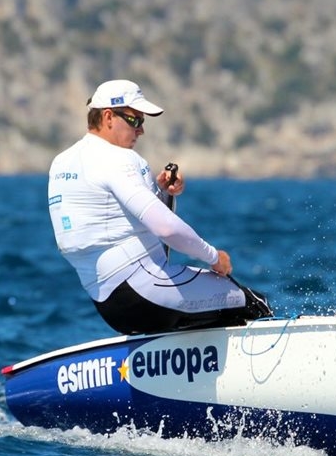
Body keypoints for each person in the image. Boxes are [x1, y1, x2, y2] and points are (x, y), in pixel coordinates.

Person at [47, 79, 272, 335]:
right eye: (134, 120)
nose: (141, 130)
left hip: (110, 308)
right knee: (252, 303)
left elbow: (114, 223)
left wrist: (162, 194)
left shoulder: (61, 163)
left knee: (205, 315)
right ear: (108, 117)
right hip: (145, 292)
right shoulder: (119, 158)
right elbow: (166, 229)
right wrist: (214, 257)